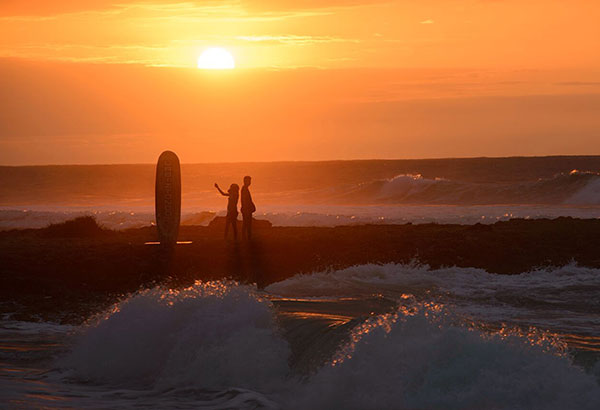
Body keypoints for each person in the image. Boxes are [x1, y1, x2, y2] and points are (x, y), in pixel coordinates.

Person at [241, 175, 256, 240]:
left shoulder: (245, 189)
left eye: (250, 181)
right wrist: (246, 209)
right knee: (247, 224)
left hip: (246, 209)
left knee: (246, 224)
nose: (250, 182)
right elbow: (244, 200)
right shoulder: (244, 189)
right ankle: (247, 237)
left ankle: (245, 237)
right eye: (248, 181)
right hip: (246, 210)